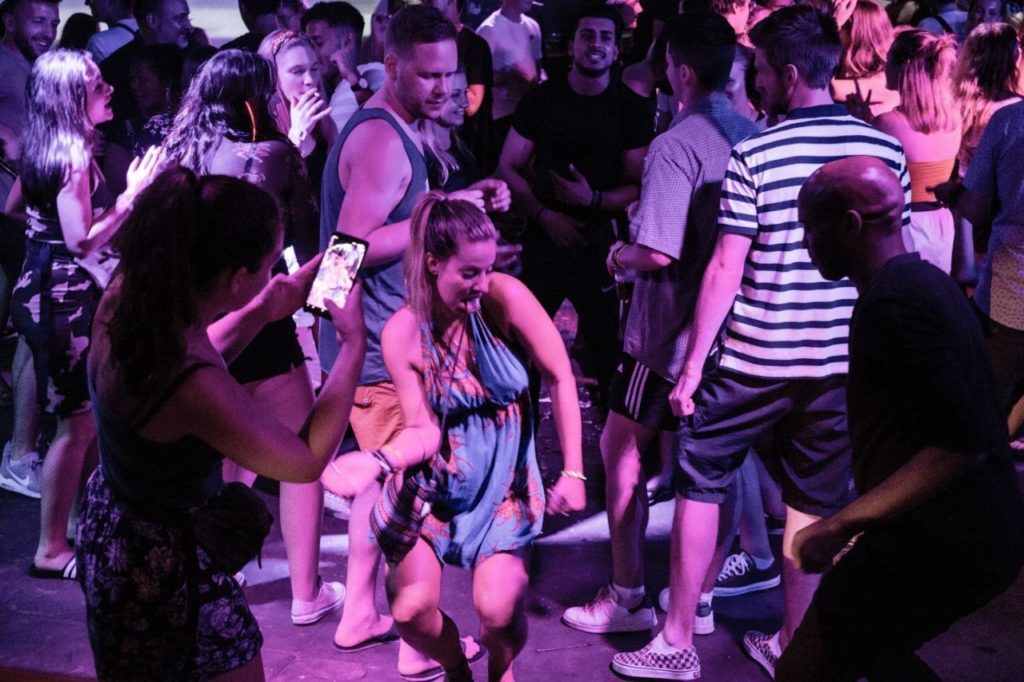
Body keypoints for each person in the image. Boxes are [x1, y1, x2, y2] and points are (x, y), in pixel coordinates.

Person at [623, 7, 909, 679]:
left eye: (756, 71)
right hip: (838, 361)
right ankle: (793, 648)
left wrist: (692, 367)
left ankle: (676, 643)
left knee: (700, 480)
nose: (750, 83)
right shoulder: (882, 150)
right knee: (812, 502)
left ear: (783, 73)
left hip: (754, 356)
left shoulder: (759, 150)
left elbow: (726, 268)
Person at [78, 166, 365, 679]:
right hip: (163, 565)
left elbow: (194, 348)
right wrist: (352, 347)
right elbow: (302, 463)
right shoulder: (193, 386)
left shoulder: (132, 293)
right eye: (270, 263)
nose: (278, 269)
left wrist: (263, 308)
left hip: (114, 526)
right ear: (235, 278)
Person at [778, 155, 1024, 681]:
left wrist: (840, 524)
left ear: (849, 225)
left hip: (947, 542)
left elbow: (958, 445)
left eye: (810, 229)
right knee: (870, 653)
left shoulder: (894, 305)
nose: (806, 245)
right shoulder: (924, 284)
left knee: (807, 668)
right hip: (959, 534)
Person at [316, 6, 508, 675]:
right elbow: (344, 251)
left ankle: (358, 616)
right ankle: (413, 644)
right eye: (426, 75)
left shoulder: (395, 130)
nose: (441, 88)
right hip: (379, 350)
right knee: (415, 495)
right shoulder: (380, 141)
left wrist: (457, 203)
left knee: (383, 487)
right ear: (390, 64)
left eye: (449, 75)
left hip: (375, 344)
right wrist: (441, 221)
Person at [561, 12, 759, 647]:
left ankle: (627, 599)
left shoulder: (678, 143)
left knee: (618, 449)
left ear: (681, 71)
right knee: (711, 472)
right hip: (730, 331)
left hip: (665, 333)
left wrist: (616, 256)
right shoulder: (749, 131)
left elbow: (659, 252)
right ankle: (696, 600)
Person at [332, 193, 586, 682]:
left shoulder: (503, 299)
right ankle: (455, 668)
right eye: (469, 273)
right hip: (434, 488)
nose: (482, 283)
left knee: (497, 613)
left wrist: (573, 469)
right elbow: (423, 430)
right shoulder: (403, 333)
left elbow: (560, 375)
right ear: (432, 264)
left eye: (488, 269)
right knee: (410, 613)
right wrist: (378, 460)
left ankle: (500, 667)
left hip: (503, 487)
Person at [160, 48, 339, 627]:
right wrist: (332, 304)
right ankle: (306, 594)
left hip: (200, 322)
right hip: (260, 315)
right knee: (302, 458)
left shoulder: (180, 153)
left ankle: (215, 572)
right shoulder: (271, 154)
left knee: (221, 449)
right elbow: (307, 237)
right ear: (251, 97)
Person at [8, 50, 161, 579]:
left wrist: (41, 221)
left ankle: (78, 528)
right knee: (74, 425)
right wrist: (132, 197)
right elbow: (80, 240)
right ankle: (50, 549)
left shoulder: (46, 145)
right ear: (73, 98)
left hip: (45, 286)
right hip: (62, 296)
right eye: (98, 85)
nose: (110, 90)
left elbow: (13, 206)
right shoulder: (71, 153)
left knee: (84, 421)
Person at [499, 4, 652, 410]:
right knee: (521, 352)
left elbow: (637, 185)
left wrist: (594, 200)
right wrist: (545, 216)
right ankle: (519, 454)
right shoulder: (542, 101)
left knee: (606, 355)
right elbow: (507, 166)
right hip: (543, 239)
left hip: (602, 247)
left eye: (605, 37)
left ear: (617, 51)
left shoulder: (631, 108)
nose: (596, 45)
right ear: (571, 45)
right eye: (587, 35)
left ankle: (609, 460)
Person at [0, 0, 60, 500]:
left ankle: (20, 453)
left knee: (29, 331)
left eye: (54, 22)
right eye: (38, 20)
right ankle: (20, 455)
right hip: (12, 213)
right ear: (10, 19)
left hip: (23, 212)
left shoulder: (31, 65)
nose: (48, 30)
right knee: (30, 330)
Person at [873, 30, 960, 274]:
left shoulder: (887, 123)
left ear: (904, 67)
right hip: (942, 223)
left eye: (889, 57)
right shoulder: (954, 118)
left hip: (906, 227)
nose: (884, 64)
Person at [257, 29, 335, 207]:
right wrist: (297, 135)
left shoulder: (324, 126)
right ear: (273, 76)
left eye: (314, 69)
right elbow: (268, 198)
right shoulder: (261, 131)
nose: (310, 80)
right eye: (297, 71)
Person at [100, 0, 193, 124]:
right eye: (180, 18)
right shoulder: (114, 71)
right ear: (151, 21)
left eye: (187, 18)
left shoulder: (198, 61)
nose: (189, 26)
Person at [476, 0, 541, 149]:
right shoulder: (488, 29)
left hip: (529, 112)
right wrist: (508, 77)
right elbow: (475, 77)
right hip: (501, 117)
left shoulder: (533, 26)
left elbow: (538, 66)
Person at [301, 1, 367, 133]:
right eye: (308, 45)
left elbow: (383, 120)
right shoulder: (328, 92)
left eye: (318, 43)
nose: (310, 54)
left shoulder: (374, 73)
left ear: (347, 42)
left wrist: (352, 78)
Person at [830, 0, 900, 122]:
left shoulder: (884, 78)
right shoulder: (844, 70)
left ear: (853, 31)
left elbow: (829, 89)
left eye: (842, 26)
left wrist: (832, 27)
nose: (838, 31)